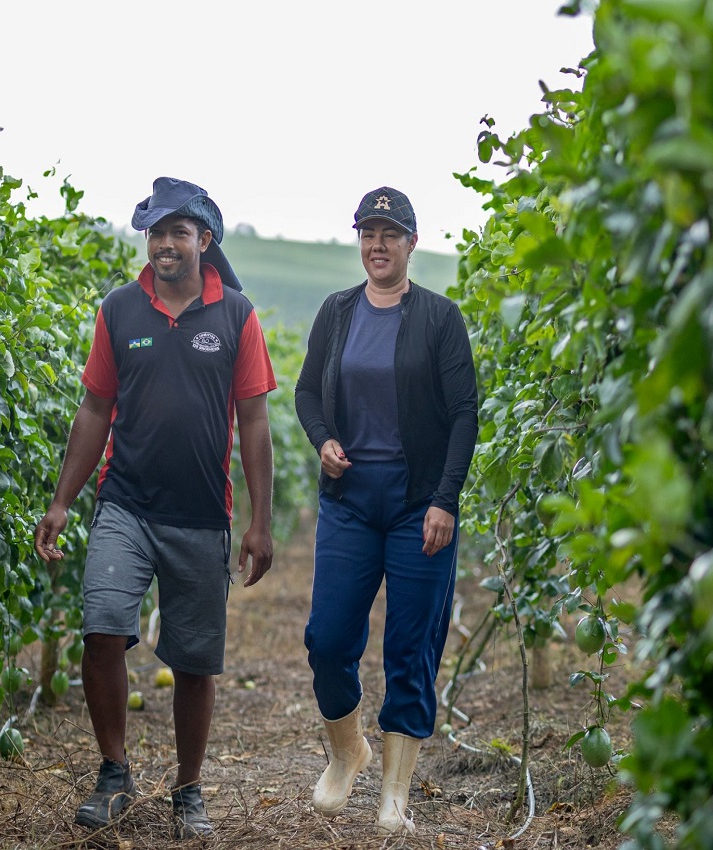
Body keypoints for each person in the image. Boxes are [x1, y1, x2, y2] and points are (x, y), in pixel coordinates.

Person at [34, 177, 276, 840]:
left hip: (202, 514)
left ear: (204, 239)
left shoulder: (237, 316)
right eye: (155, 231)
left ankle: (188, 789)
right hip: (126, 504)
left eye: (178, 231)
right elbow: (94, 409)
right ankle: (114, 772)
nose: (165, 244)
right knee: (103, 627)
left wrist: (260, 521)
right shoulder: (120, 310)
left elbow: (254, 421)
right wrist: (62, 501)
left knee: (195, 662)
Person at [293, 186, 478, 834]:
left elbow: (463, 416)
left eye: (389, 234)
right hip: (349, 500)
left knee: (411, 646)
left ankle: (394, 797)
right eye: (368, 233)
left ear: (411, 244)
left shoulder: (438, 318)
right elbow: (308, 390)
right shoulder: (337, 312)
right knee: (329, 637)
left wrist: (444, 501)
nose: (377, 245)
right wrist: (324, 441)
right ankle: (347, 751)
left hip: (416, 506)